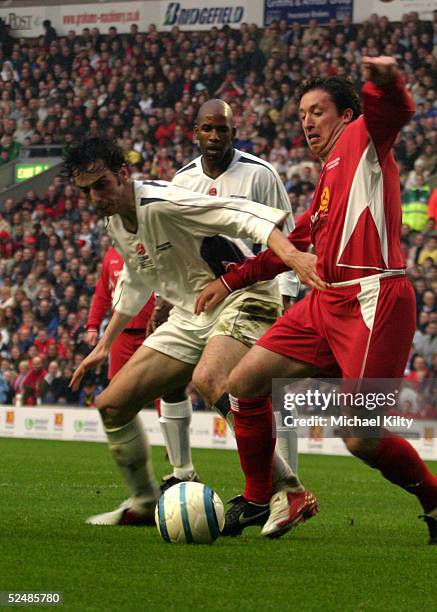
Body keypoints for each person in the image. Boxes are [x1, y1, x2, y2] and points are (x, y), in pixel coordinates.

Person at [196, 57, 437, 543]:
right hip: (324, 303)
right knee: (244, 382)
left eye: (317, 111)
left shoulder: (364, 140)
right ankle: (262, 497)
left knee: (360, 436)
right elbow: (291, 249)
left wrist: (383, 83)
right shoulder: (326, 181)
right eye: (301, 114)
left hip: (375, 299)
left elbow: (397, 112)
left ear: (346, 115)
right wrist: (230, 282)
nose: (307, 122)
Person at [65, 137, 318, 528]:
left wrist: (292, 257)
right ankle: (145, 501)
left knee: (211, 379)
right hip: (191, 313)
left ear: (123, 174)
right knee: (112, 406)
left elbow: (241, 214)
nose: (95, 197)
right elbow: (134, 280)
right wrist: (104, 344)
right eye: (85, 191)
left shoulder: (163, 201)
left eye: (101, 185)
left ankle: (289, 490)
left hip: (243, 294)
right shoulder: (115, 221)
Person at [148, 99, 300, 485]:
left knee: (262, 387)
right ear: (194, 132)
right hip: (202, 296)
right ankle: (182, 471)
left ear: (235, 132)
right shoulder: (182, 182)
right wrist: (164, 301)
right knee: (171, 376)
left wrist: (287, 296)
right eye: (208, 129)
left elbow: (287, 236)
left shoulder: (260, 175)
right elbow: (176, 247)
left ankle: (285, 483)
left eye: (223, 130)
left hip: (256, 293)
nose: (215, 137)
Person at [86, 246, 156, 380]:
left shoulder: (149, 245)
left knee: (157, 382)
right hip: (120, 332)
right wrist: (93, 326)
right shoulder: (111, 254)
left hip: (151, 330)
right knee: (117, 382)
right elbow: (102, 294)